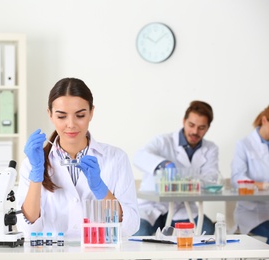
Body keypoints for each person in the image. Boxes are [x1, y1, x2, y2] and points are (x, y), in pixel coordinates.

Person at [16, 77, 140, 240]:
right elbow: (27, 229)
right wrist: (37, 173)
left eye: (80, 115)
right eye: (61, 116)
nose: (71, 124)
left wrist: (100, 189)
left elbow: (131, 227)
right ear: (50, 115)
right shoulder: (32, 164)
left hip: (102, 255)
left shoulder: (116, 158)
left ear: (91, 113)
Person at [132, 100, 219, 236]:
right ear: (184, 121)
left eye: (201, 127)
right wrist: (163, 164)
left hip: (182, 207)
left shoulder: (210, 149)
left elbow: (211, 178)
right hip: (151, 206)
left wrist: (185, 182)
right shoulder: (163, 141)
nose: (195, 131)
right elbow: (139, 156)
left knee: (207, 230)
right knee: (139, 232)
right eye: (191, 125)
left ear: (208, 128)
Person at [231, 105, 269, 244]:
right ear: (264, 120)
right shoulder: (244, 145)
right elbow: (237, 179)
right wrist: (264, 185)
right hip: (252, 213)